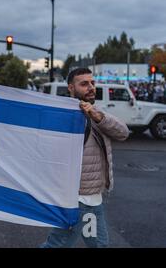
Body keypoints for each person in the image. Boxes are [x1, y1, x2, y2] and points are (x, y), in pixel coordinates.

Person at [41, 68, 129, 248]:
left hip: (93, 199)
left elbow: (123, 133)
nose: (91, 87)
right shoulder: (65, 117)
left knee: (98, 244)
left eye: (92, 83)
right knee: (57, 245)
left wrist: (97, 117)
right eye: (84, 84)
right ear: (71, 88)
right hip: (77, 202)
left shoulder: (96, 112)